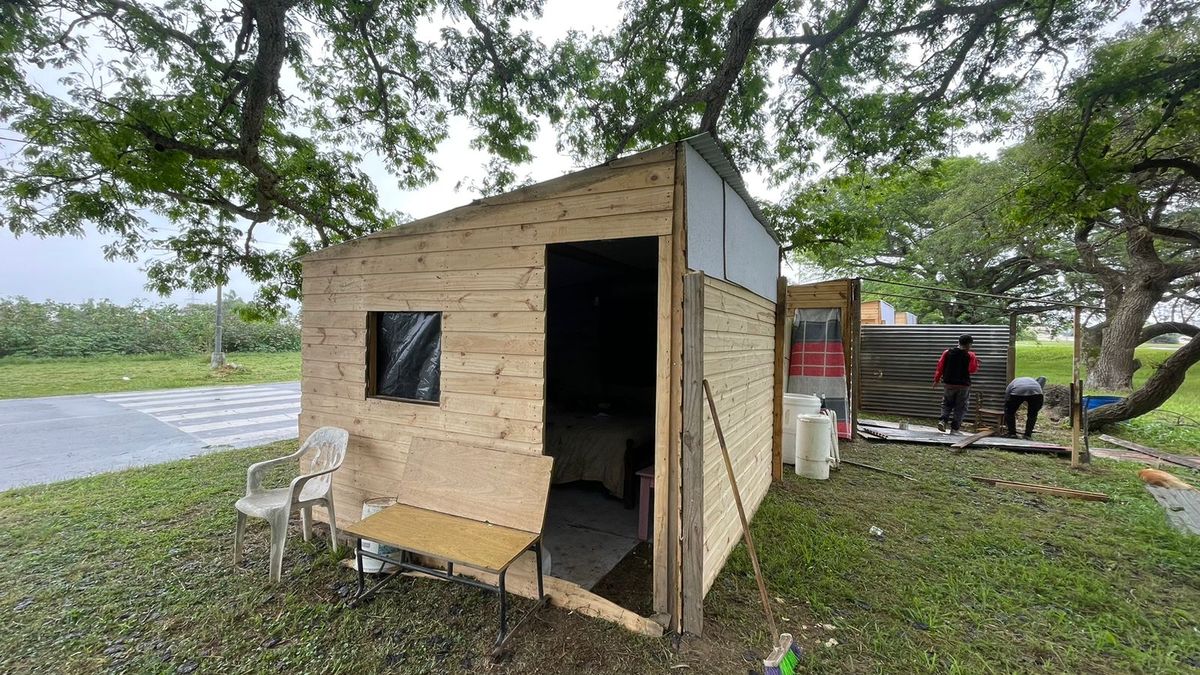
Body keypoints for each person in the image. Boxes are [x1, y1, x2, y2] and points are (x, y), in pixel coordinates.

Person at [933, 334, 978, 434]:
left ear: (958, 342)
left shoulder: (947, 352)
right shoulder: (970, 355)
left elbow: (940, 367)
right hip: (963, 385)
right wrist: (975, 361)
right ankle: (955, 429)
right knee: (961, 407)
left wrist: (936, 380)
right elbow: (972, 370)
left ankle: (943, 421)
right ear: (969, 345)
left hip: (948, 383)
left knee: (947, 404)